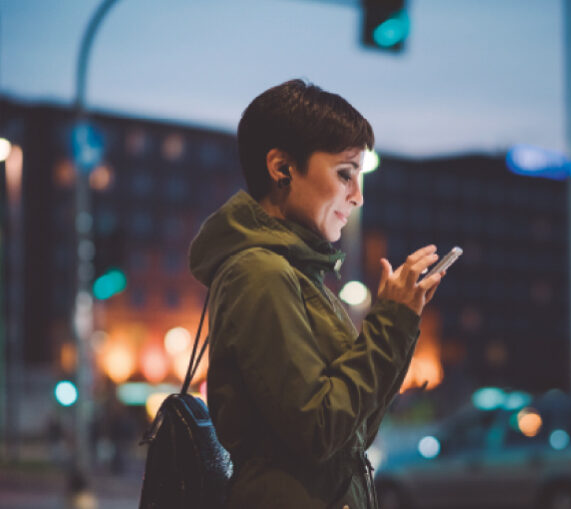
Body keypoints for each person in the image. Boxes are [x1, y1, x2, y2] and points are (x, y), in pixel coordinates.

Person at [189, 79, 444, 508]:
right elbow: (318, 428)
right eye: (345, 174)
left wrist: (398, 322)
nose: (358, 197)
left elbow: (352, 432)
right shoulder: (259, 274)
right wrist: (389, 324)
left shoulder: (297, 276)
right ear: (282, 168)